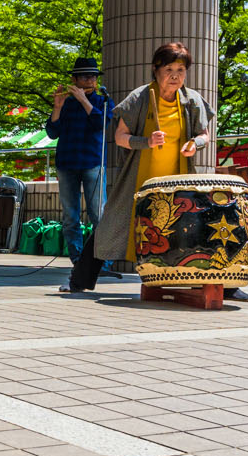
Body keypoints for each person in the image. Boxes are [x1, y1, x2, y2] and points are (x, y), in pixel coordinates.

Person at [63, 42, 213, 293]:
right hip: (139, 178)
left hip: (177, 180)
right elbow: (120, 137)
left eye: (181, 69)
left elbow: (205, 135)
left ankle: (219, 285)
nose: (175, 75)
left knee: (192, 226)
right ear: (156, 69)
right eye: (169, 69)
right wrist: (146, 142)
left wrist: (194, 144)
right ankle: (79, 282)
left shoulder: (192, 100)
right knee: (112, 224)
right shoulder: (140, 97)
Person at [45, 55, 110, 262]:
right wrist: (57, 107)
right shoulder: (66, 103)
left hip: (93, 163)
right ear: (75, 80)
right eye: (84, 76)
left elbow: (101, 123)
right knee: (70, 217)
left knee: (98, 214)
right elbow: (52, 132)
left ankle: (102, 262)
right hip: (67, 163)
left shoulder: (103, 101)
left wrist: (83, 100)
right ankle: (77, 260)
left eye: (93, 76)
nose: (90, 80)